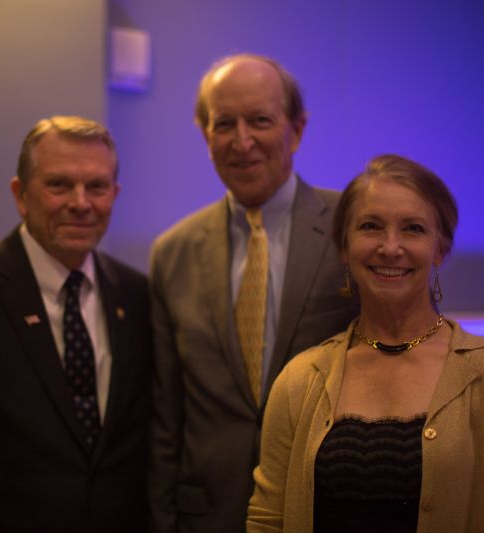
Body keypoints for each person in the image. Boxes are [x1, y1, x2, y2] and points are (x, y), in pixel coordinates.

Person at [248, 154, 484, 531]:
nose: (391, 247)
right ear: (344, 247)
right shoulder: (299, 381)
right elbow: (267, 521)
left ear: (440, 249)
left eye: (412, 229)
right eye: (371, 226)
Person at [0, 115, 152, 532]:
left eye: (97, 186)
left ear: (115, 194)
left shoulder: (138, 294)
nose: (81, 202)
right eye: (59, 185)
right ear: (20, 195)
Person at [149, 53, 359, 533]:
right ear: (205, 135)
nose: (242, 141)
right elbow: (166, 415)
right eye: (224, 124)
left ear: (297, 129)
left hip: (325, 505)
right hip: (207, 514)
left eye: (260, 120)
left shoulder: (352, 229)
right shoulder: (172, 252)